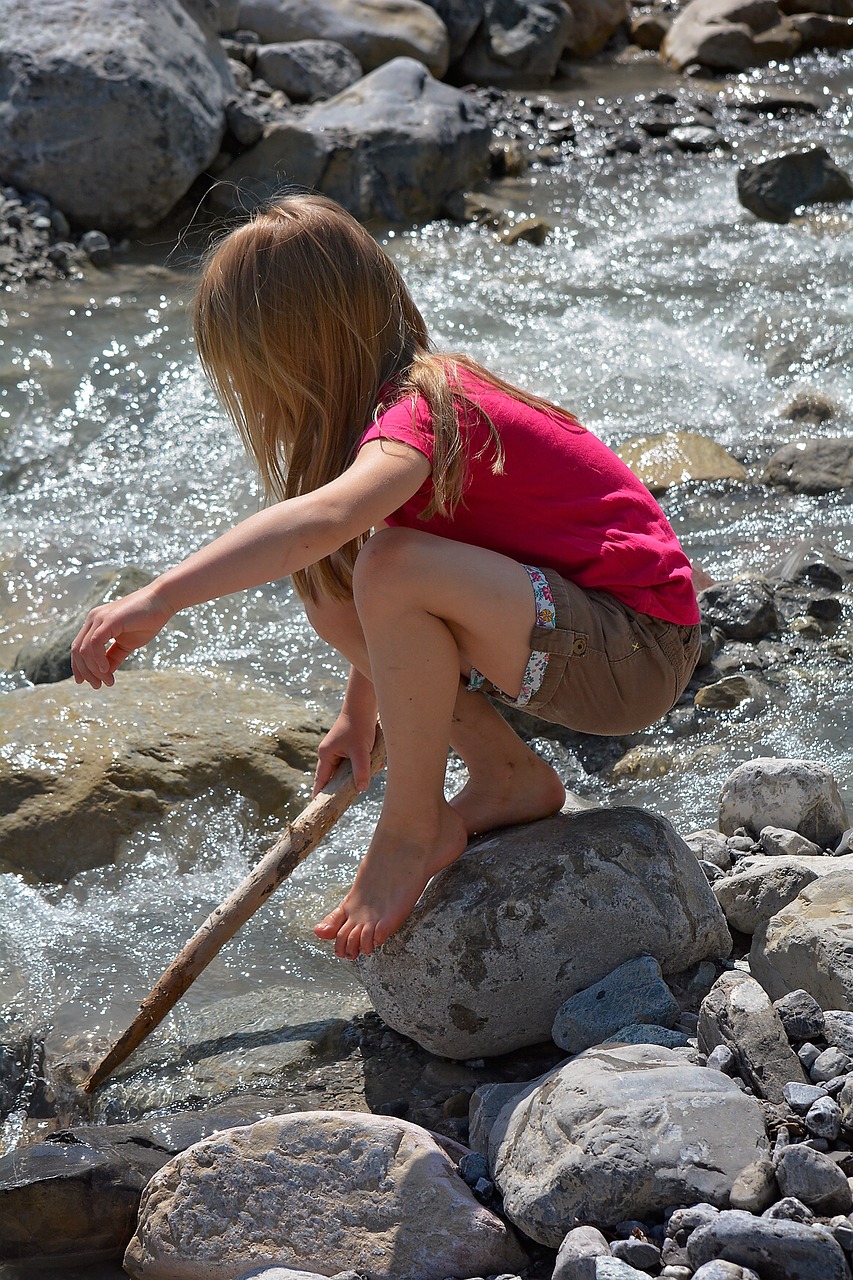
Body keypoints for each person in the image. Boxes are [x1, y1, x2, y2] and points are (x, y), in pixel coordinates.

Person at [71, 192, 705, 962]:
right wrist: (358, 711)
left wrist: (158, 597)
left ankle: (412, 828)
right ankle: (505, 776)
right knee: (334, 588)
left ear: (300, 355)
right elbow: (365, 585)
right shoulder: (398, 411)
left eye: (254, 372)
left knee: (383, 563)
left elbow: (325, 521)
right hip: (586, 639)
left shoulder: (423, 408)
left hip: (637, 649)